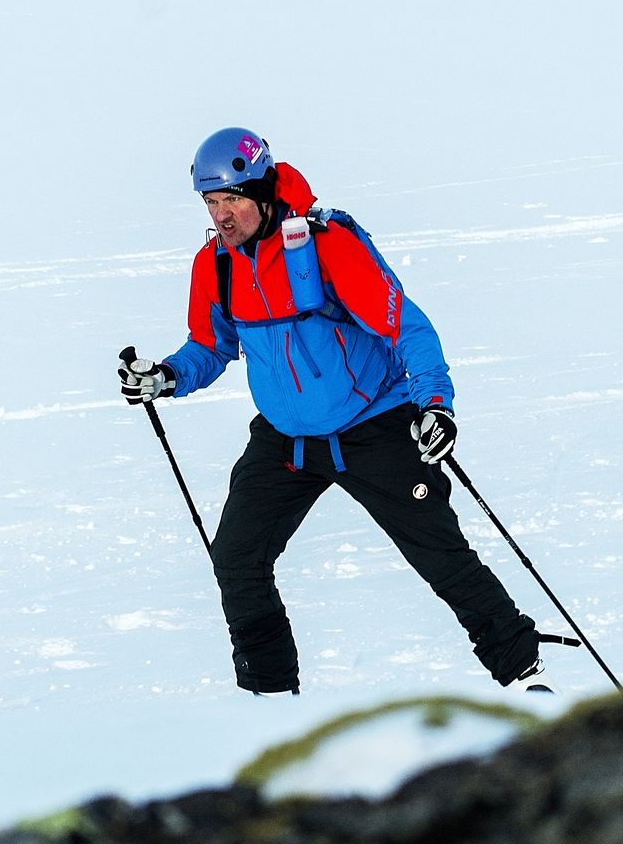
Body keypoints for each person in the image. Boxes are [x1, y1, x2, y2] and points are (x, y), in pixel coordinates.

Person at [118, 126, 542, 694]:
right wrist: (166, 376)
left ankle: (523, 677)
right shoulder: (215, 264)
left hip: (374, 425)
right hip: (286, 441)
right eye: (212, 202)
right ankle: (270, 696)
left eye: (233, 200)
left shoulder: (327, 243)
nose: (223, 216)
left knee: (442, 558)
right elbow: (210, 345)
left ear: (265, 191)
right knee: (237, 561)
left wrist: (435, 404)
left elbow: (406, 327)